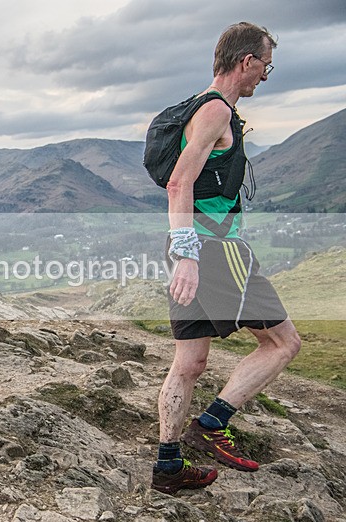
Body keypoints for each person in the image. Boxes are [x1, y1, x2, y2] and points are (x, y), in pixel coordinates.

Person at [151, 22, 301, 494]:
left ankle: (168, 466)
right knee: (282, 343)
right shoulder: (216, 110)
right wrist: (189, 254)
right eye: (265, 66)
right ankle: (213, 423)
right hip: (216, 248)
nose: (264, 76)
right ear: (246, 62)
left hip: (194, 244)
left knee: (190, 361)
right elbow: (179, 182)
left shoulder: (199, 105)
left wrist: (183, 250)